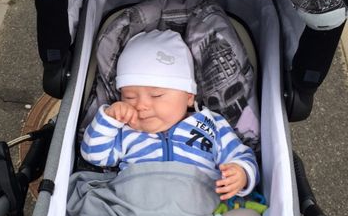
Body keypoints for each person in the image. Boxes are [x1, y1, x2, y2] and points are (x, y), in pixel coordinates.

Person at [81, 29, 259, 200]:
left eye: (156, 95)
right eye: (129, 97)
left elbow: (242, 155)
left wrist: (241, 173)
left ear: (189, 97)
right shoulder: (124, 130)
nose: (141, 105)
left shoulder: (211, 125)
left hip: (198, 209)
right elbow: (93, 155)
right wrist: (109, 118)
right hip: (137, 209)